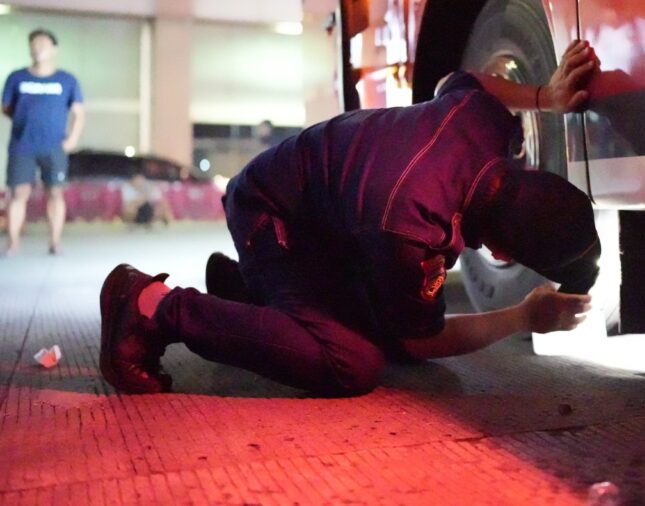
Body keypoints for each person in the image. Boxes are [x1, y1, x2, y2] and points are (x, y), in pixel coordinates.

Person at [100, 40, 602, 395]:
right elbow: (421, 341)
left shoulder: (479, 123)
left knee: (378, 320)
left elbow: (459, 81)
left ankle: (249, 293)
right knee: (352, 362)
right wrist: (522, 317)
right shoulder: (411, 227)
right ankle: (150, 306)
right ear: (500, 253)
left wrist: (546, 96)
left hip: (312, 209)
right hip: (271, 215)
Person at [2, 29, 85, 256]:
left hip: (54, 147)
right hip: (22, 146)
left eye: (43, 44)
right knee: (18, 194)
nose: (38, 48)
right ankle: (13, 244)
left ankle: (55, 242)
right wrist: (26, 122)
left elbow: (78, 112)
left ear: (54, 49)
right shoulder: (16, 77)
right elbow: (7, 108)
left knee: (56, 193)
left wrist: (72, 138)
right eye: (34, 44)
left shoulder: (66, 80)